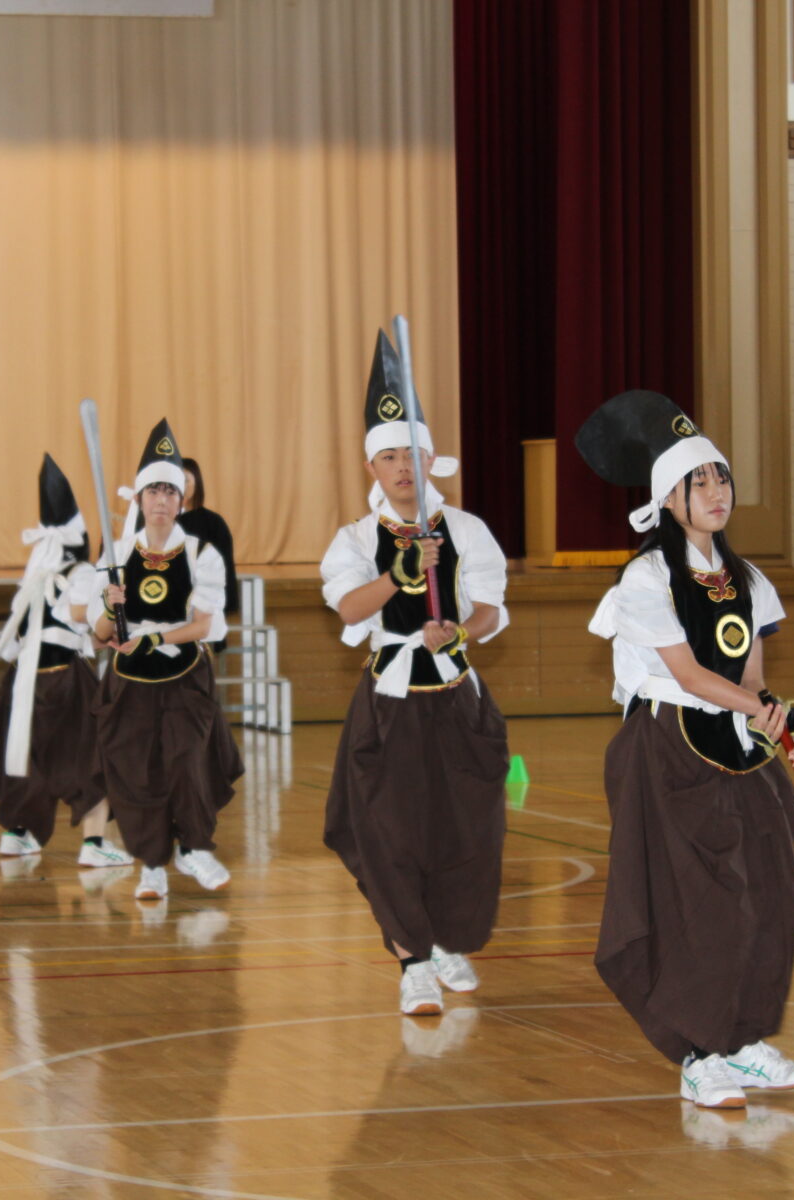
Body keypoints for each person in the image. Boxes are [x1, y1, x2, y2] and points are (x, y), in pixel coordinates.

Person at [583, 390, 794, 1110]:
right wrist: (761, 710)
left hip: (735, 748)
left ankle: (744, 1043)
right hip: (669, 750)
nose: (717, 493)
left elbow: (748, 672)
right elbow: (687, 674)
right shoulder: (646, 578)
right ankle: (697, 1053)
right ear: (669, 499)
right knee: (701, 907)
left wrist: (778, 724)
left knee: (777, 898)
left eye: (721, 478)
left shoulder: (746, 578)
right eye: (699, 483)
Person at [320, 329, 510, 1017]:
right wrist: (397, 574)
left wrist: (459, 630)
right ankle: (412, 960)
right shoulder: (352, 541)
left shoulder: (466, 530)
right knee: (391, 833)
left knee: (465, 830)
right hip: (392, 703)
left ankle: (445, 937)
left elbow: (490, 609)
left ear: (433, 459)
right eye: (390, 456)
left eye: (412, 455)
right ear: (373, 467)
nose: (404, 467)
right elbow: (348, 606)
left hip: (458, 699)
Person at [80, 419, 244, 902]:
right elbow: (101, 634)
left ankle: (194, 847)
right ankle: (152, 863)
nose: (161, 500)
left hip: (184, 672)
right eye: (153, 490)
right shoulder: (115, 556)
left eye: (170, 491)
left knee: (186, 759)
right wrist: (111, 605)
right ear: (139, 499)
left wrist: (155, 640)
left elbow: (203, 625)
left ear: (181, 500)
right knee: (139, 769)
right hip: (128, 678)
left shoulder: (201, 553)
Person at [0, 454, 131, 867]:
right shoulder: (80, 572)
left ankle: (18, 836)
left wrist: (96, 635)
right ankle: (93, 845)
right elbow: (79, 617)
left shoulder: (37, 575)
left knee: (28, 757)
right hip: (63, 682)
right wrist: (108, 599)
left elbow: (30, 633)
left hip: (22, 680)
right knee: (100, 754)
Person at [177, 457, 238, 656]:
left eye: (186, 480)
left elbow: (225, 568)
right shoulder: (161, 523)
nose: (181, 485)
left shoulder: (213, 523)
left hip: (204, 611)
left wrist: (224, 606)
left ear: (197, 483)